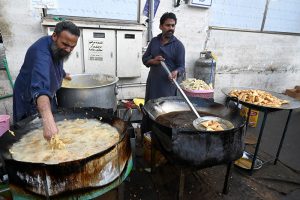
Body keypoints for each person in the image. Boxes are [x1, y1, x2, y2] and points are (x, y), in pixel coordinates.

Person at [13, 21, 80, 140]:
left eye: (72, 46)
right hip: (29, 98)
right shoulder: (40, 53)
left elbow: (55, 65)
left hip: (47, 95)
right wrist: (48, 121)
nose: (69, 50)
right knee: (31, 136)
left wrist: (63, 74)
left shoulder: (57, 48)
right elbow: (40, 89)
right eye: (65, 44)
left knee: (52, 130)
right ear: (54, 36)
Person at [141, 12, 185, 133]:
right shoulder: (154, 42)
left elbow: (182, 67)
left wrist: (176, 72)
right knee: (150, 109)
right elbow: (145, 59)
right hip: (153, 84)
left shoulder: (178, 46)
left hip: (168, 87)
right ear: (161, 26)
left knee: (165, 113)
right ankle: (146, 135)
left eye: (173, 25)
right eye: (167, 25)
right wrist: (154, 61)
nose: (171, 28)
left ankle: (163, 138)